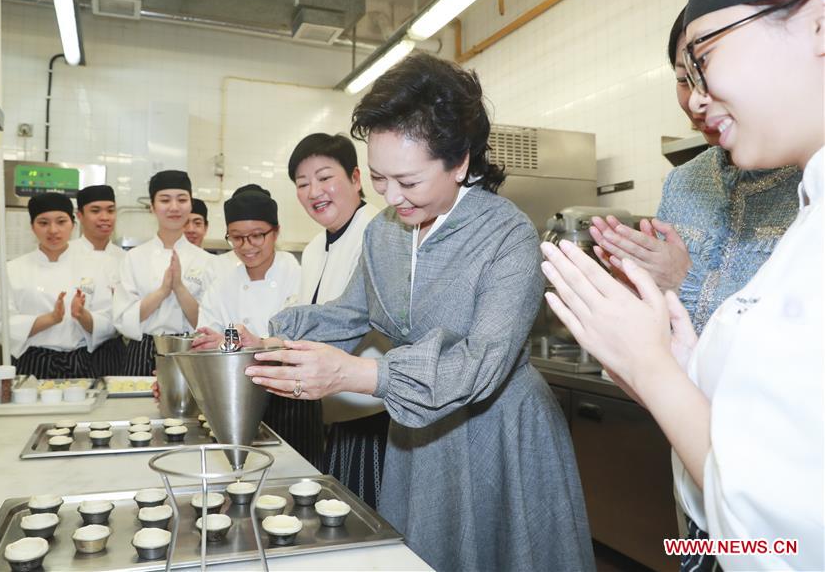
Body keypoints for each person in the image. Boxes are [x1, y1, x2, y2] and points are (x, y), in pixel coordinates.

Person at [243, 55, 594, 571]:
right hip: (419, 432)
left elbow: (481, 363)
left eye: (408, 182)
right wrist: (262, 340)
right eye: (381, 179)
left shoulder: (507, 235)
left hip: (498, 433)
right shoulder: (384, 232)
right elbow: (349, 313)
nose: (391, 197)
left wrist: (358, 372)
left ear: (460, 163)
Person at [541, 0, 823, 570]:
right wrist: (674, 353)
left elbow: (778, 539)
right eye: (682, 74)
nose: (695, 97)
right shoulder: (803, 199)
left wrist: (653, 366)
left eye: (706, 56)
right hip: (703, 505)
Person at [590, 9, 801, 334]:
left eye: (709, 74)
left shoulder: (809, 178)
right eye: (683, 80)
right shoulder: (682, 181)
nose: (695, 102)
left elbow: (800, 338)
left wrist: (683, 280)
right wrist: (639, 286)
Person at [288, 132, 389, 507]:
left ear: (356, 178)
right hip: (327, 413)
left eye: (325, 177)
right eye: (302, 183)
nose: (314, 191)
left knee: (369, 520)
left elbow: (354, 323)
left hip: (372, 414)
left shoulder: (380, 234)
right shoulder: (315, 247)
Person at [194, 184, 322, 462]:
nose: (247, 246)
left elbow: (299, 340)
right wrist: (222, 343)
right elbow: (206, 342)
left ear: (276, 232)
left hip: (293, 398)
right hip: (236, 398)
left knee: (296, 477)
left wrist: (228, 343)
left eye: (257, 236)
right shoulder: (221, 286)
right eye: (237, 238)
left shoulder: (300, 277)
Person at [0, 192, 116, 378]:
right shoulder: (10, 271)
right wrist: (51, 318)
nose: (53, 230)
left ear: (73, 224)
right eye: (43, 223)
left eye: (61, 221)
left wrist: (82, 315)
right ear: (32, 227)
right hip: (33, 362)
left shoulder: (97, 266)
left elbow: (110, 320)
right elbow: (2, 323)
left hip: (86, 362)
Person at [113, 170, 213, 376]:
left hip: (190, 350)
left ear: (191, 204)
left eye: (182, 199)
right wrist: (162, 291)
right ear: (152, 207)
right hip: (142, 350)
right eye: (165, 200)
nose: (174, 207)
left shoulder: (208, 261)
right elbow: (123, 317)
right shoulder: (133, 258)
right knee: (137, 408)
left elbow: (208, 322)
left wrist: (179, 288)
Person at [74, 184, 127, 375]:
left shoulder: (125, 260)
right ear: (79, 215)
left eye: (110, 210)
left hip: (111, 352)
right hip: (71, 353)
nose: (105, 217)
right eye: (95, 211)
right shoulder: (67, 255)